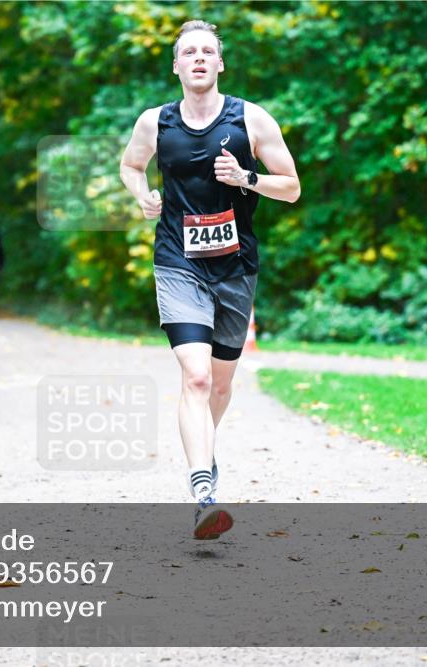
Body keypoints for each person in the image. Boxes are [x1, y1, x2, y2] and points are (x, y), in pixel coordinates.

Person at [120, 20, 301, 539]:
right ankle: (204, 491)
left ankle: (202, 450)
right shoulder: (156, 122)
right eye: (188, 52)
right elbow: (132, 166)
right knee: (195, 377)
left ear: (220, 63)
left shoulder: (252, 119)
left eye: (207, 52)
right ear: (176, 65)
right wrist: (141, 194)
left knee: (220, 383)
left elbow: (290, 187)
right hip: (177, 261)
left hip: (235, 267)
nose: (198, 59)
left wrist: (245, 178)